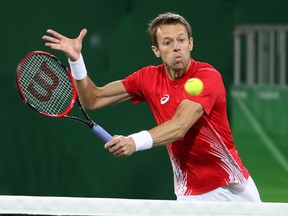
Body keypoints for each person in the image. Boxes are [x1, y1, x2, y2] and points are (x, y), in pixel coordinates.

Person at [42, 12, 261, 202]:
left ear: (191, 43)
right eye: (167, 42)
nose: (176, 47)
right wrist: (76, 60)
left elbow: (180, 126)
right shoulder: (147, 78)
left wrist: (134, 142)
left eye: (181, 40)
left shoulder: (207, 77)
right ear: (156, 50)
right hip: (190, 193)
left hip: (232, 187)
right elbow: (93, 98)